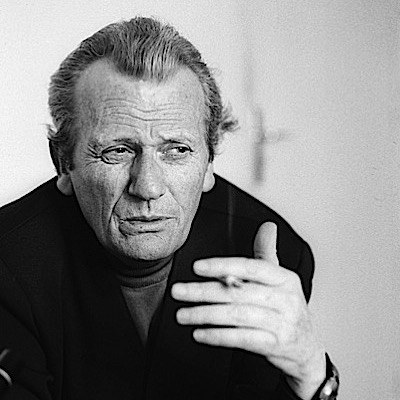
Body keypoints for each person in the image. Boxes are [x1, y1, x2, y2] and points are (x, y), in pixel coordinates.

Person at [0, 17, 339, 400]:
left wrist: (312, 375)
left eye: (177, 150)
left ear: (209, 162)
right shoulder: (7, 265)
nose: (148, 187)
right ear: (64, 164)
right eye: (118, 151)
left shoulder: (270, 261)